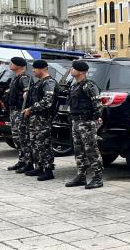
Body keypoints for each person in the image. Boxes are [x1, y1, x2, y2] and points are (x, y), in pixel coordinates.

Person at [64, 61, 105, 189]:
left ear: (81, 71)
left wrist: (92, 120)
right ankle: (81, 176)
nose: (71, 70)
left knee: (91, 150)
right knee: (78, 150)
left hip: (86, 122)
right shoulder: (74, 86)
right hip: (76, 121)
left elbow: (98, 105)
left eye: (74, 68)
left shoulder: (89, 86)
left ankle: (97, 177)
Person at [23, 59, 57, 181]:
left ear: (42, 69)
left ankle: (48, 170)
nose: (33, 70)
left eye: (35, 68)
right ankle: (39, 166)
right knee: (35, 143)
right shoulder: (39, 83)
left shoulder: (49, 82)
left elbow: (47, 101)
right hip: (35, 118)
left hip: (43, 118)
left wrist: (31, 109)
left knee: (43, 144)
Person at [5, 57, 34, 172]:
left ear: (19, 66)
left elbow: (27, 93)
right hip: (14, 111)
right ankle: (22, 160)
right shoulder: (16, 78)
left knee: (23, 137)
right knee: (17, 138)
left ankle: (29, 162)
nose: (10, 64)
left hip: (20, 111)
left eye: (12, 63)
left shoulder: (24, 78)